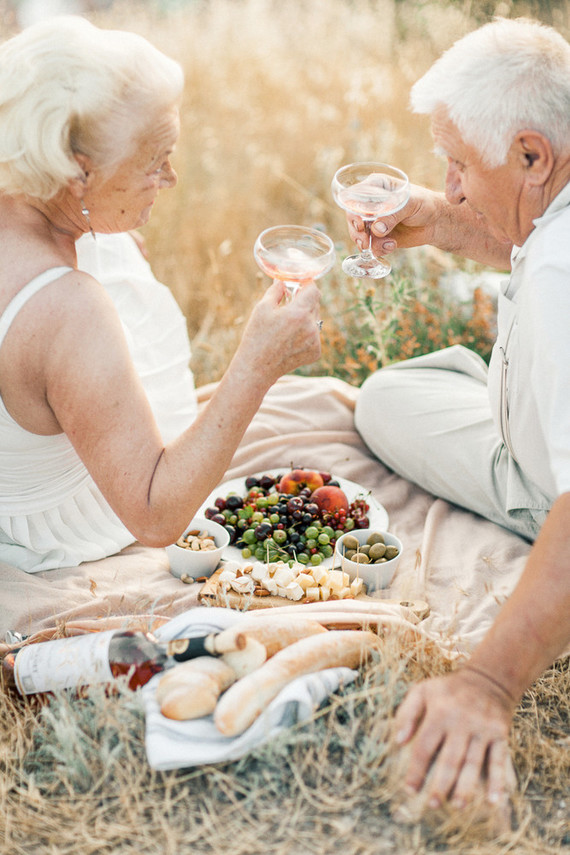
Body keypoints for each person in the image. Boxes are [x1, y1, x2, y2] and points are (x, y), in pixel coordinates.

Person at [0, 16, 321, 574]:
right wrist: (256, 365)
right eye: (154, 162)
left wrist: (105, 228)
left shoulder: (23, 192)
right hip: (64, 518)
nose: (170, 178)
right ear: (78, 172)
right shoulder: (66, 310)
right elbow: (154, 518)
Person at [350, 18, 570, 811]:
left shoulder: (558, 282)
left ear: (532, 155)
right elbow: (532, 241)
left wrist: (486, 685)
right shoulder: (553, 218)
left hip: (545, 491)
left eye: (459, 165)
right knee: (383, 395)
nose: (448, 186)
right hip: (523, 438)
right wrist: (441, 225)